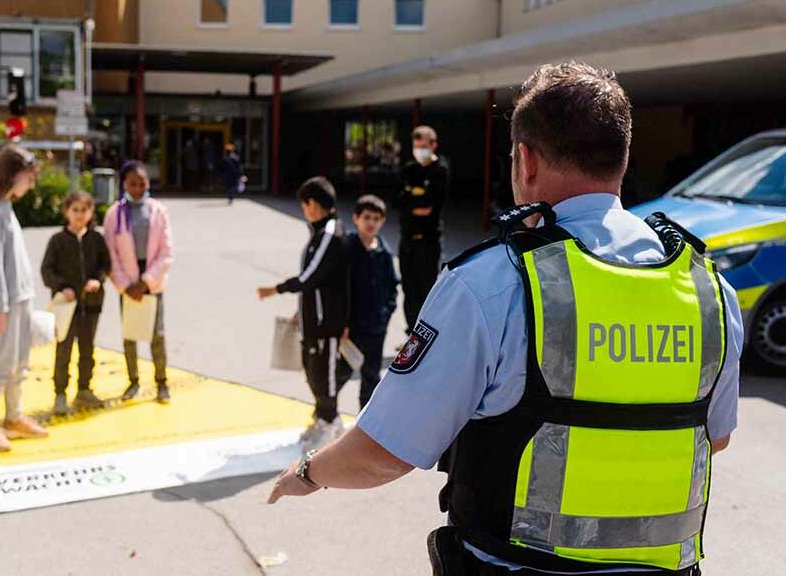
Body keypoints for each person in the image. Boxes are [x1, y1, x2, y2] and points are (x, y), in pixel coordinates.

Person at [267, 62, 743, 576]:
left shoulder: (495, 283)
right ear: (621, 159)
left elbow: (384, 452)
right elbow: (714, 437)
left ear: (526, 160)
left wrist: (310, 472)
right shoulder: (708, 288)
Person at [257, 177, 350, 452]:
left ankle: (332, 424)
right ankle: (322, 419)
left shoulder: (330, 233)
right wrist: (300, 309)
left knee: (325, 375)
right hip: (313, 319)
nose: (304, 210)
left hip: (326, 321)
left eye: (305, 204)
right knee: (312, 373)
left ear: (313, 203)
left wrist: (276, 289)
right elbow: (315, 282)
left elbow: (311, 277)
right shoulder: (319, 232)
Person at [0, 145, 50, 452]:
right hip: (8, 303)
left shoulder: (4, 207)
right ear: (13, 174)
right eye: (29, 177)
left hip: (20, 298)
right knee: (2, 364)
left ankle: (13, 417)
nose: (31, 184)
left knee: (20, 362)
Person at [104, 160, 174, 404]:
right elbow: (110, 254)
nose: (138, 188)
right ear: (124, 184)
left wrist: (146, 282)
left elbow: (166, 252)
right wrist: (125, 285)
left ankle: (161, 382)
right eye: (133, 183)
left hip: (152, 282)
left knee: (157, 335)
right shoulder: (115, 214)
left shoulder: (158, 211)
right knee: (130, 334)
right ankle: (133, 381)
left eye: (142, 183)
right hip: (128, 284)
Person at [40, 191, 112, 415]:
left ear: (91, 213)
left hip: (91, 305)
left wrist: (97, 281)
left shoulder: (96, 239)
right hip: (66, 307)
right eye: (75, 210)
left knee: (87, 348)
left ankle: (84, 389)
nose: (80, 215)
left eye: (84, 210)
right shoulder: (58, 240)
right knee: (64, 348)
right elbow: (46, 270)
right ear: (66, 212)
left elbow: (105, 265)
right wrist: (62, 287)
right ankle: (60, 393)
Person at [336, 195, 398, 409]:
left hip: (376, 328)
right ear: (356, 218)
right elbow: (338, 289)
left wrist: (386, 313)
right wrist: (341, 322)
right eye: (367, 217)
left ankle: (364, 425)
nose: (371, 223)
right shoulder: (347, 248)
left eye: (377, 218)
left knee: (371, 378)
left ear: (382, 221)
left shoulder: (384, 252)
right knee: (340, 374)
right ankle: (326, 415)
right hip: (351, 328)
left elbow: (392, 288)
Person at [395, 125, 449, 334]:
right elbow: (395, 200)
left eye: (424, 146)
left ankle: (425, 336)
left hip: (428, 242)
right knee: (409, 290)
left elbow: (429, 206)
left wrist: (409, 199)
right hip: (406, 240)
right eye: (416, 146)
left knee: (426, 291)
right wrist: (412, 203)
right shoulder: (408, 169)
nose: (419, 150)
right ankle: (411, 333)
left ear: (433, 145)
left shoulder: (440, 170)